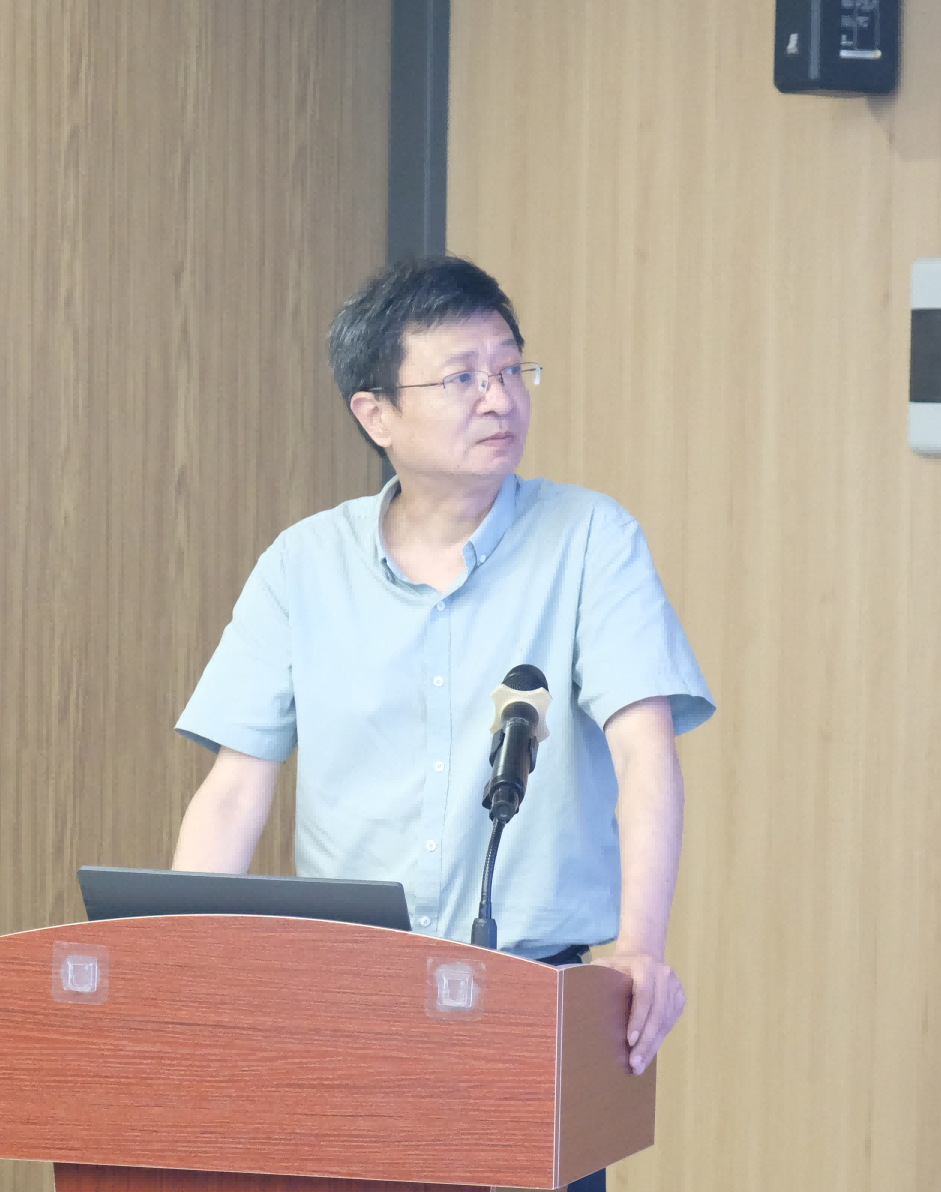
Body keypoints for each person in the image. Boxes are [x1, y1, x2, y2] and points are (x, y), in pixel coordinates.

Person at [171, 257, 713, 1189]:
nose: (499, 397)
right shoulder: (303, 564)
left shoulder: (591, 539)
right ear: (375, 413)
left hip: (531, 998)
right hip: (348, 1004)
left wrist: (640, 946)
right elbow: (233, 790)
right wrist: (174, 962)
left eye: (510, 367)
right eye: (461, 377)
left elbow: (644, 755)